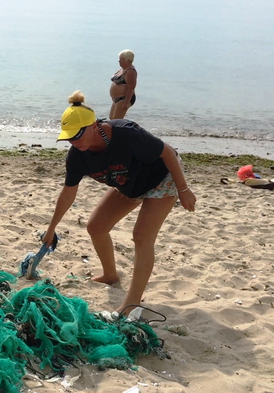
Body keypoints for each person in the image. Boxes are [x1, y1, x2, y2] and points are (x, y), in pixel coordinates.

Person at [42, 90, 196, 315]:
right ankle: (110, 274)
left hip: (162, 178)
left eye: (77, 135)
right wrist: (51, 229)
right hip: (129, 184)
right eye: (69, 137)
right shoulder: (77, 156)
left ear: (93, 125)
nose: (73, 142)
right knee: (96, 226)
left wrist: (184, 189)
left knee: (141, 235)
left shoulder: (126, 134)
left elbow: (167, 153)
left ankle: (131, 302)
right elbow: (67, 193)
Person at [109, 50, 137, 120]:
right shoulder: (122, 69)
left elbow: (131, 87)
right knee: (111, 119)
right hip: (117, 98)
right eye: (119, 59)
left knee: (116, 120)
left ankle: (125, 130)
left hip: (124, 98)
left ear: (128, 60)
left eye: (122, 59)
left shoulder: (130, 71)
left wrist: (126, 103)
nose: (119, 61)